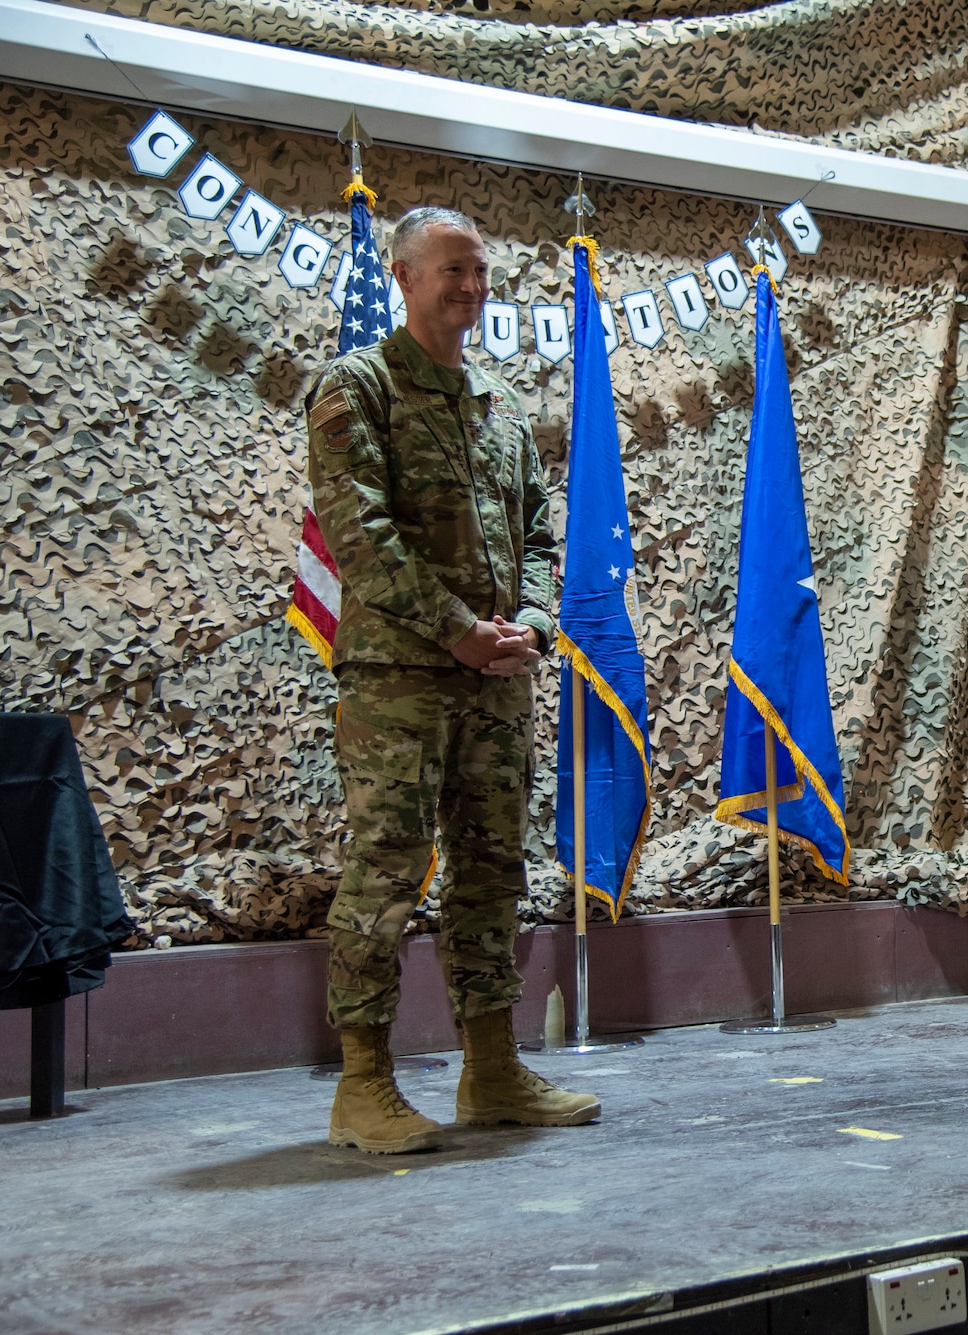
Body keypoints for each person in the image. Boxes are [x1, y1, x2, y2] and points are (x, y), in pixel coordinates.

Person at [307, 206, 599, 1153]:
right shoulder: (359, 390)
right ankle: (363, 1084)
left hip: (498, 683)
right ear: (402, 275)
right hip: (402, 682)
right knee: (387, 873)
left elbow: (545, 535)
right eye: (452, 271)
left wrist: (538, 624)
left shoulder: (500, 407)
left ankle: (490, 1069)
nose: (471, 287)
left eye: (479, 270)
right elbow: (362, 539)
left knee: (490, 876)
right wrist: (456, 631)